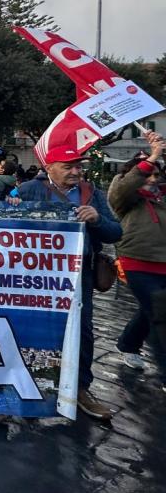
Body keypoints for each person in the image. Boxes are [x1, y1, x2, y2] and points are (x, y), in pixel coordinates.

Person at [18, 146, 122, 420]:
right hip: (35, 277)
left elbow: (115, 232)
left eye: (79, 166)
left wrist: (97, 220)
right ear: (49, 166)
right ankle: (28, 382)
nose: (76, 171)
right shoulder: (29, 189)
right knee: (31, 326)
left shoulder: (92, 193)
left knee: (83, 331)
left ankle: (81, 388)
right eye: (68, 166)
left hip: (79, 277)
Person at [108, 131, 166, 390]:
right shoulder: (124, 195)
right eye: (147, 174)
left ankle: (128, 343)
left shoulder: (162, 197)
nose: (152, 179)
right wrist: (152, 157)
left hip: (163, 262)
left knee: (151, 309)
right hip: (136, 262)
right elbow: (124, 188)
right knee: (159, 314)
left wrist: (160, 150)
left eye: (156, 174)